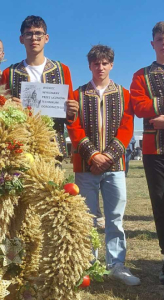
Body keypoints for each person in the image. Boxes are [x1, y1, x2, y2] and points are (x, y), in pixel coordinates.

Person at [67, 44, 140, 286]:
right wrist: (91, 155)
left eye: (105, 63)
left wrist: (107, 156)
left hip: (115, 166)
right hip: (85, 167)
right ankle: (87, 264)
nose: (100, 67)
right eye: (96, 63)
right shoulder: (77, 94)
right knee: (86, 217)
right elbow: (73, 127)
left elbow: (127, 127)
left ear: (111, 65)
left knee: (115, 217)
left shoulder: (124, 93)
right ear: (89, 66)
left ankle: (117, 264)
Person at [0, 15, 78, 156]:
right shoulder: (9, 73)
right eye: (28, 34)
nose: (34, 38)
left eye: (38, 33)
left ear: (46, 38)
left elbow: (69, 113)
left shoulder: (62, 70)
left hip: (53, 146)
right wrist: (9, 106)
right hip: (20, 147)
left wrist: (72, 111)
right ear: (21, 39)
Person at [130, 21, 164, 284]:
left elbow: (148, 106)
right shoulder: (141, 75)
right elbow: (139, 106)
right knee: (161, 203)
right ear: (152, 44)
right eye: (160, 38)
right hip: (156, 149)